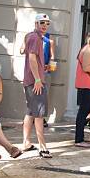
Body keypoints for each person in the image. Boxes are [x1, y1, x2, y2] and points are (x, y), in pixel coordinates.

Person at [22, 14, 51, 158]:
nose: (44, 25)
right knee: (39, 113)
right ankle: (42, 146)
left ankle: (26, 142)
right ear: (36, 23)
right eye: (42, 22)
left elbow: (23, 51)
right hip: (35, 82)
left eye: (47, 23)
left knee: (31, 112)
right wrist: (38, 79)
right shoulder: (35, 38)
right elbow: (32, 58)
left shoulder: (32, 37)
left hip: (30, 80)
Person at [42, 32, 55, 127]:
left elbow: (52, 56)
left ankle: (41, 117)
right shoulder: (30, 36)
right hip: (32, 72)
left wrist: (49, 65)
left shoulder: (49, 39)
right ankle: (31, 117)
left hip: (45, 72)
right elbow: (22, 50)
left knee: (44, 95)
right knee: (31, 95)